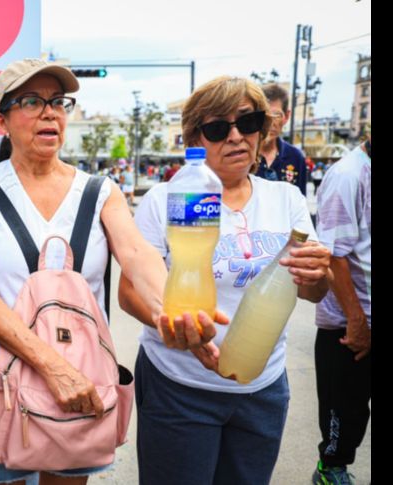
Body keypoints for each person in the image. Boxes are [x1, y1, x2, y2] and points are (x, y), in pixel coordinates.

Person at [0, 58, 167, 484]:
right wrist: (52, 366)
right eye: (31, 101)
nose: (49, 112)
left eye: (58, 102)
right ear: (2, 121)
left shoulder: (99, 191)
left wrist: (170, 311)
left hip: (82, 383)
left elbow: (137, 254)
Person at [119, 76, 332, 484]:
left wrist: (318, 272)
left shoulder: (285, 199)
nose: (236, 137)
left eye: (247, 122)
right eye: (218, 128)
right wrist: (169, 322)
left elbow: (312, 291)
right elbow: (129, 292)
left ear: (262, 130)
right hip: (180, 385)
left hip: (263, 384)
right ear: (196, 138)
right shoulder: (168, 199)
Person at [311, 138, 371, 484]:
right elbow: (333, 254)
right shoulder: (348, 175)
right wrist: (356, 319)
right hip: (348, 325)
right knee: (345, 415)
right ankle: (329, 469)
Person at [255, 83, 307, 195]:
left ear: (286, 116)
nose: (270, 123)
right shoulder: (245, 155)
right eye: (265, 116)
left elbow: (301, 201)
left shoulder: (295, 157)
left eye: (276, 116)